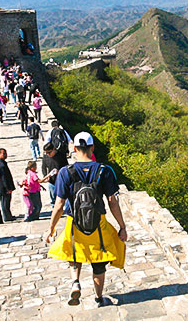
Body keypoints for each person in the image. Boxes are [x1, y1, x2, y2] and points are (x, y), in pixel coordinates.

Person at [45, 132, 127, 308]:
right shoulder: (105, 171)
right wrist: (122, 227)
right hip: (99, 224)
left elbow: (59, 204)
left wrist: (51, 228)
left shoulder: (65, 173)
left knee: (75, 254)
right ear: (92, 148)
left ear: (74, 148)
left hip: (74, 223)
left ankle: (75, 282)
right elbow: (113, 202)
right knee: (98, 264)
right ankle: (98, 299)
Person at [0, 148, 15, 222]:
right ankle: (7, 217)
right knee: (5, 202)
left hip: (3, 187)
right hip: (4, 187)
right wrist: (8, 188)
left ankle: (8, 215)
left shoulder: (1, 163)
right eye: (3, 153)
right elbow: (4, 178)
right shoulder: (1, 165)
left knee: (6, 202)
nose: (5, 155)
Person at [42, 142, 61, 207]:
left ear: (53, 149)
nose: (47, 154)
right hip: (51, 180)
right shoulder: (45, 157)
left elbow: (66, 167)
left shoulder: (60, 155)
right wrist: (45, 176)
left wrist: (59, 172)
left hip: (60, 179)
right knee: (53, 197)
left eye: (49, 152)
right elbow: (43, 167)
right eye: (46, 153)